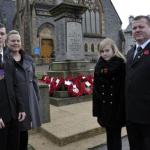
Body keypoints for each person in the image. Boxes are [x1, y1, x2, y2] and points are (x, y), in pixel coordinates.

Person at [6, 30, 41, 150]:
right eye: (13, 41)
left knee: (24, 131)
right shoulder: (3, 60)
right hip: (12, 102)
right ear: (7, 42)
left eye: (18, 40)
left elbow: (34, 79)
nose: (16, 43)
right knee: (13, 133)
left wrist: (37, 97)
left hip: (28, 100)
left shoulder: (28, 59)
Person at [92, 38, 126, 150]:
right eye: (102, 51)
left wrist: (123, 110)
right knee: (109, 136)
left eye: (107, 50)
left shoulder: (121, 65)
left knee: (115, 137)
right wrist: (97, 111)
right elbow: (96, 91)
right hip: (104, 108)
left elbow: (123, 90)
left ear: (113, 50)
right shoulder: (98, 66)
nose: (104, 54)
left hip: (116, 109)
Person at [126, 15, 150, 150]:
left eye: (141, 27)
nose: (137, 30)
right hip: (132, 117)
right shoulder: (130, 53)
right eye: (134, 28)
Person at [0, 24, 26, 150]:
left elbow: (15, 86)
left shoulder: (8, 58)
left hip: (14, 114)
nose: (0, 36)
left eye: (2, 33)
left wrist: (21, 107)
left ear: (5, 36)